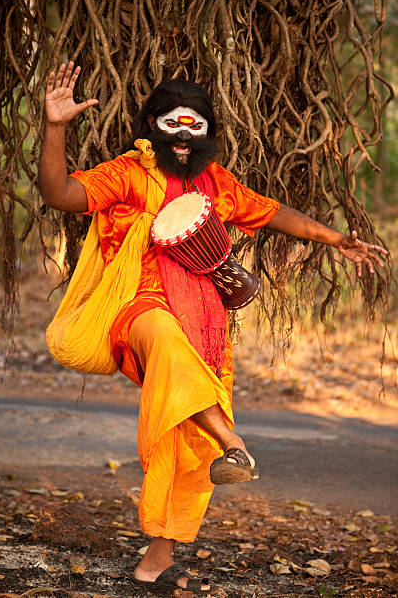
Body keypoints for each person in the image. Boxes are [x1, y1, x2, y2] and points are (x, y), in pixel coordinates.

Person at [39, 61, 387, 594]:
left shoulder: (215, 182)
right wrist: (56, 126)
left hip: (205, 321)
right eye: (173, 125)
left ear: (207, 132)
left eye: (195, 126)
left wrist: (339, 240)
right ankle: (233, 438)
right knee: (167, 342)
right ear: (152, 125)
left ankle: (158, 554)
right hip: (141, 311)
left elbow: (271, 213)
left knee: (188, 445)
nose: (183, 137)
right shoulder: (128, 174)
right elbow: (61, 194)